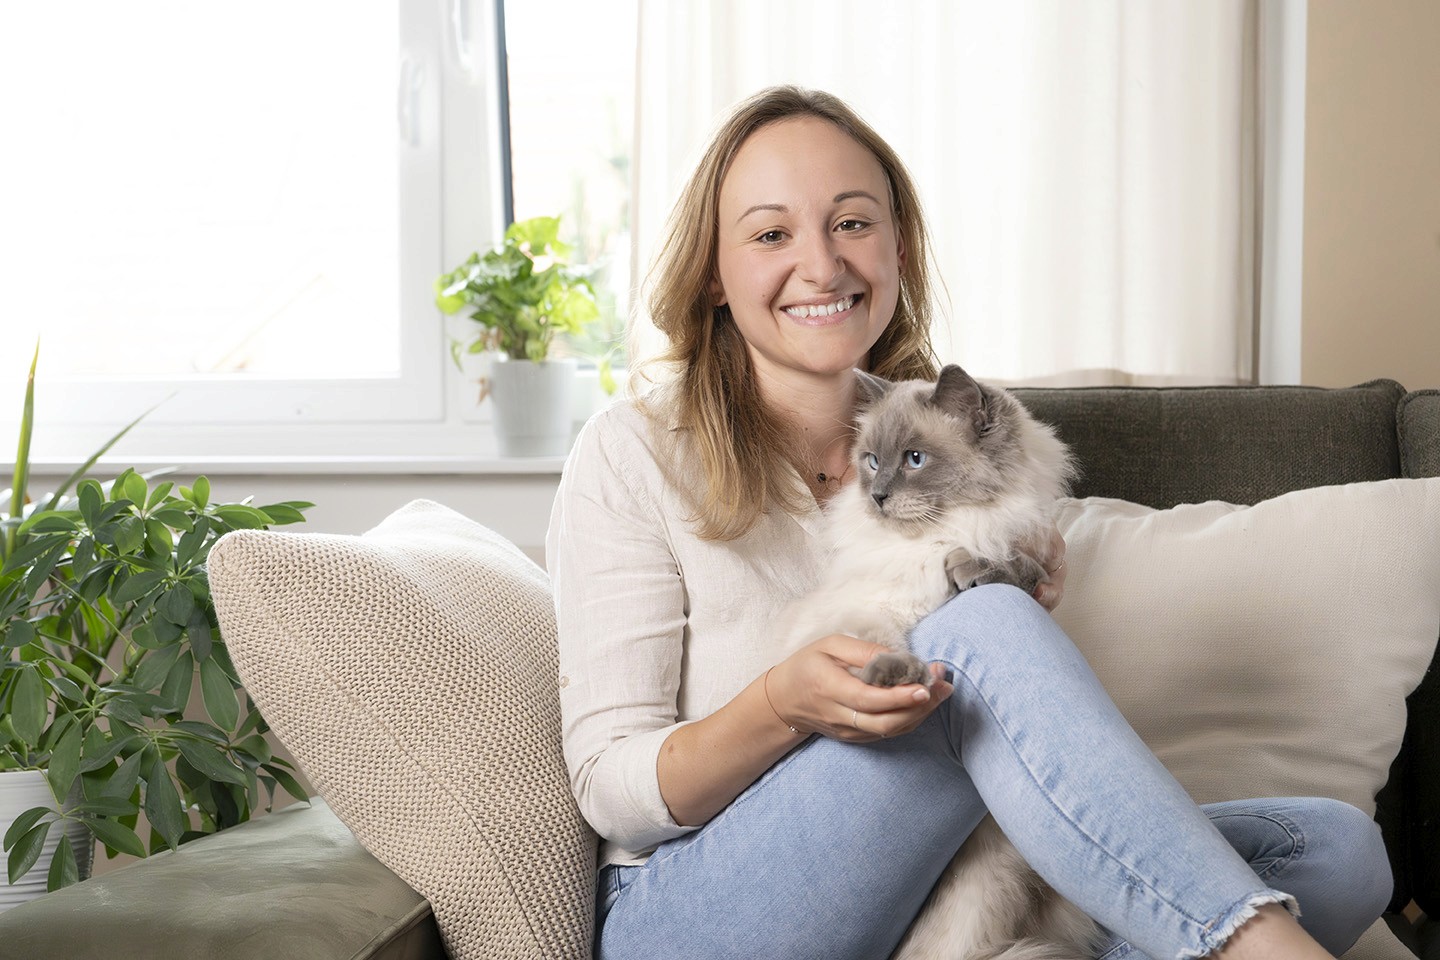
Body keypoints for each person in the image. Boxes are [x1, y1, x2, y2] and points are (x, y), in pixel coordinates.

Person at [544, 85, 1390, 960]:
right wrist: (781, 704)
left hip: (940, 877)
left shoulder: (948, 433)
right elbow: (611, 788)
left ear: (898, 247)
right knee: (979, 628)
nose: (823, 265)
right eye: (770, 234)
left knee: (1329, 847)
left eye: (853, 223)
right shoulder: (633, 451)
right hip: (697, 906)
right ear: (715, 273)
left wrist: (1023, 598)